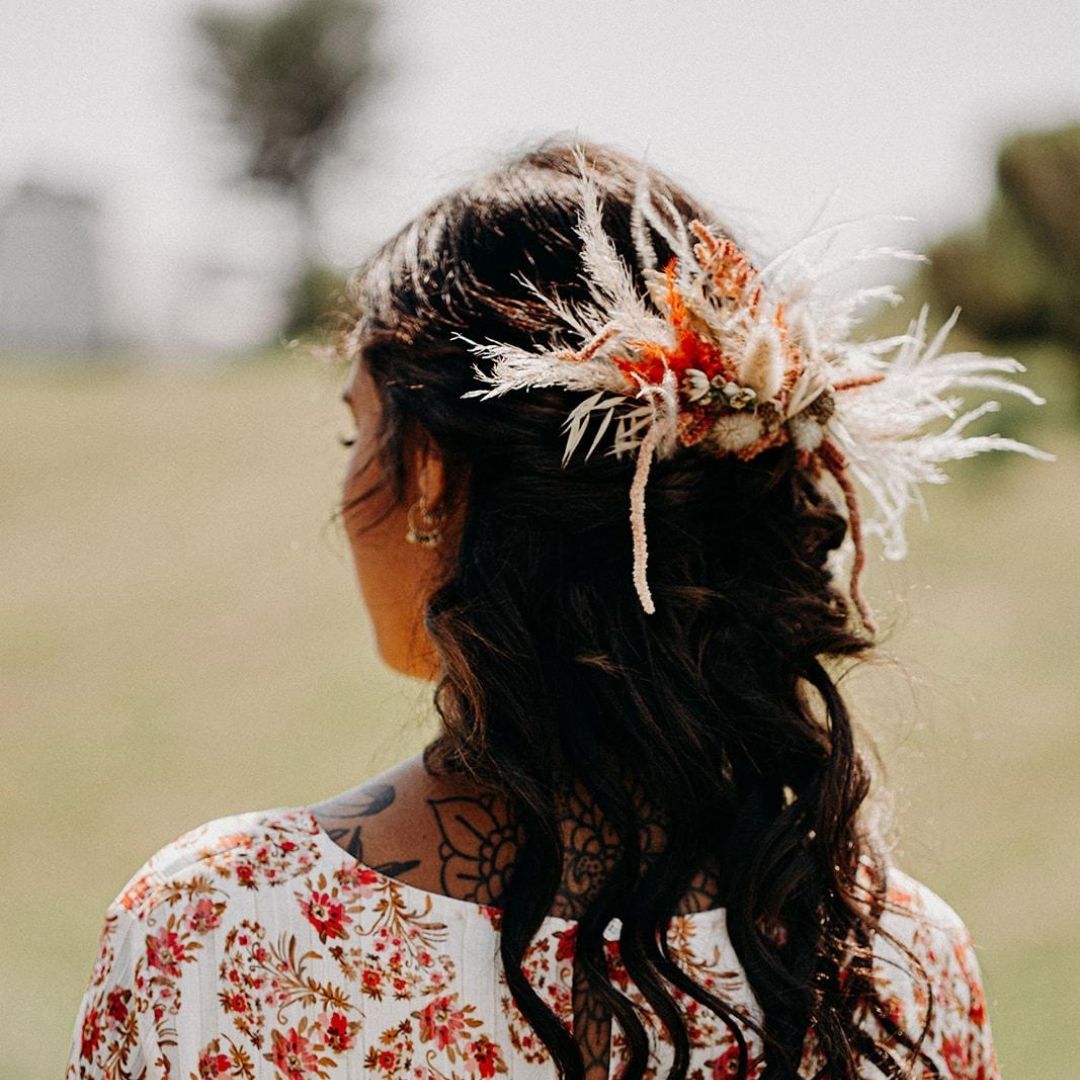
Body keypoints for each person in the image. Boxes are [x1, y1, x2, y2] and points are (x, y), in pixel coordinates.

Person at [68, 140, 1039, 1080]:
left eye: (355, 433)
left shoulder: (226, 928)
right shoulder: (898, 973)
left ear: (435, 481)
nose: (344, 489)